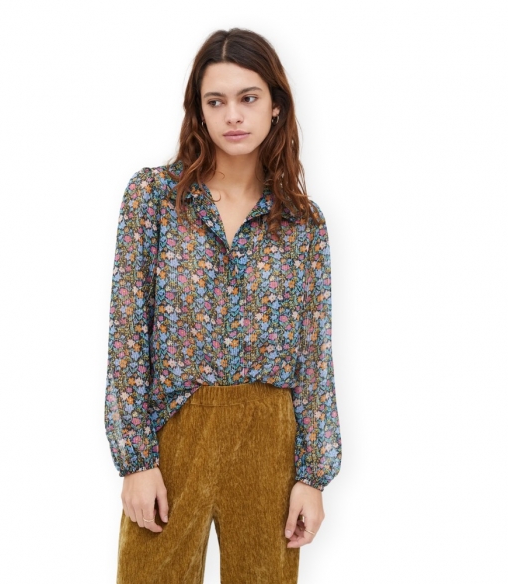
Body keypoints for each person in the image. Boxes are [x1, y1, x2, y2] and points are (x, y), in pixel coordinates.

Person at [104, 27, 342, 584]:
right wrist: (136, 460)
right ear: (199, 111)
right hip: (174, 429)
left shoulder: (303, 224)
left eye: (248, 98)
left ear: (276, 105)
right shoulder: (154, 199)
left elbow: (314, 356)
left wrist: (312, 476)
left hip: (269, 437)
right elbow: (127, 332)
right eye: (216, 101)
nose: (233, 115)